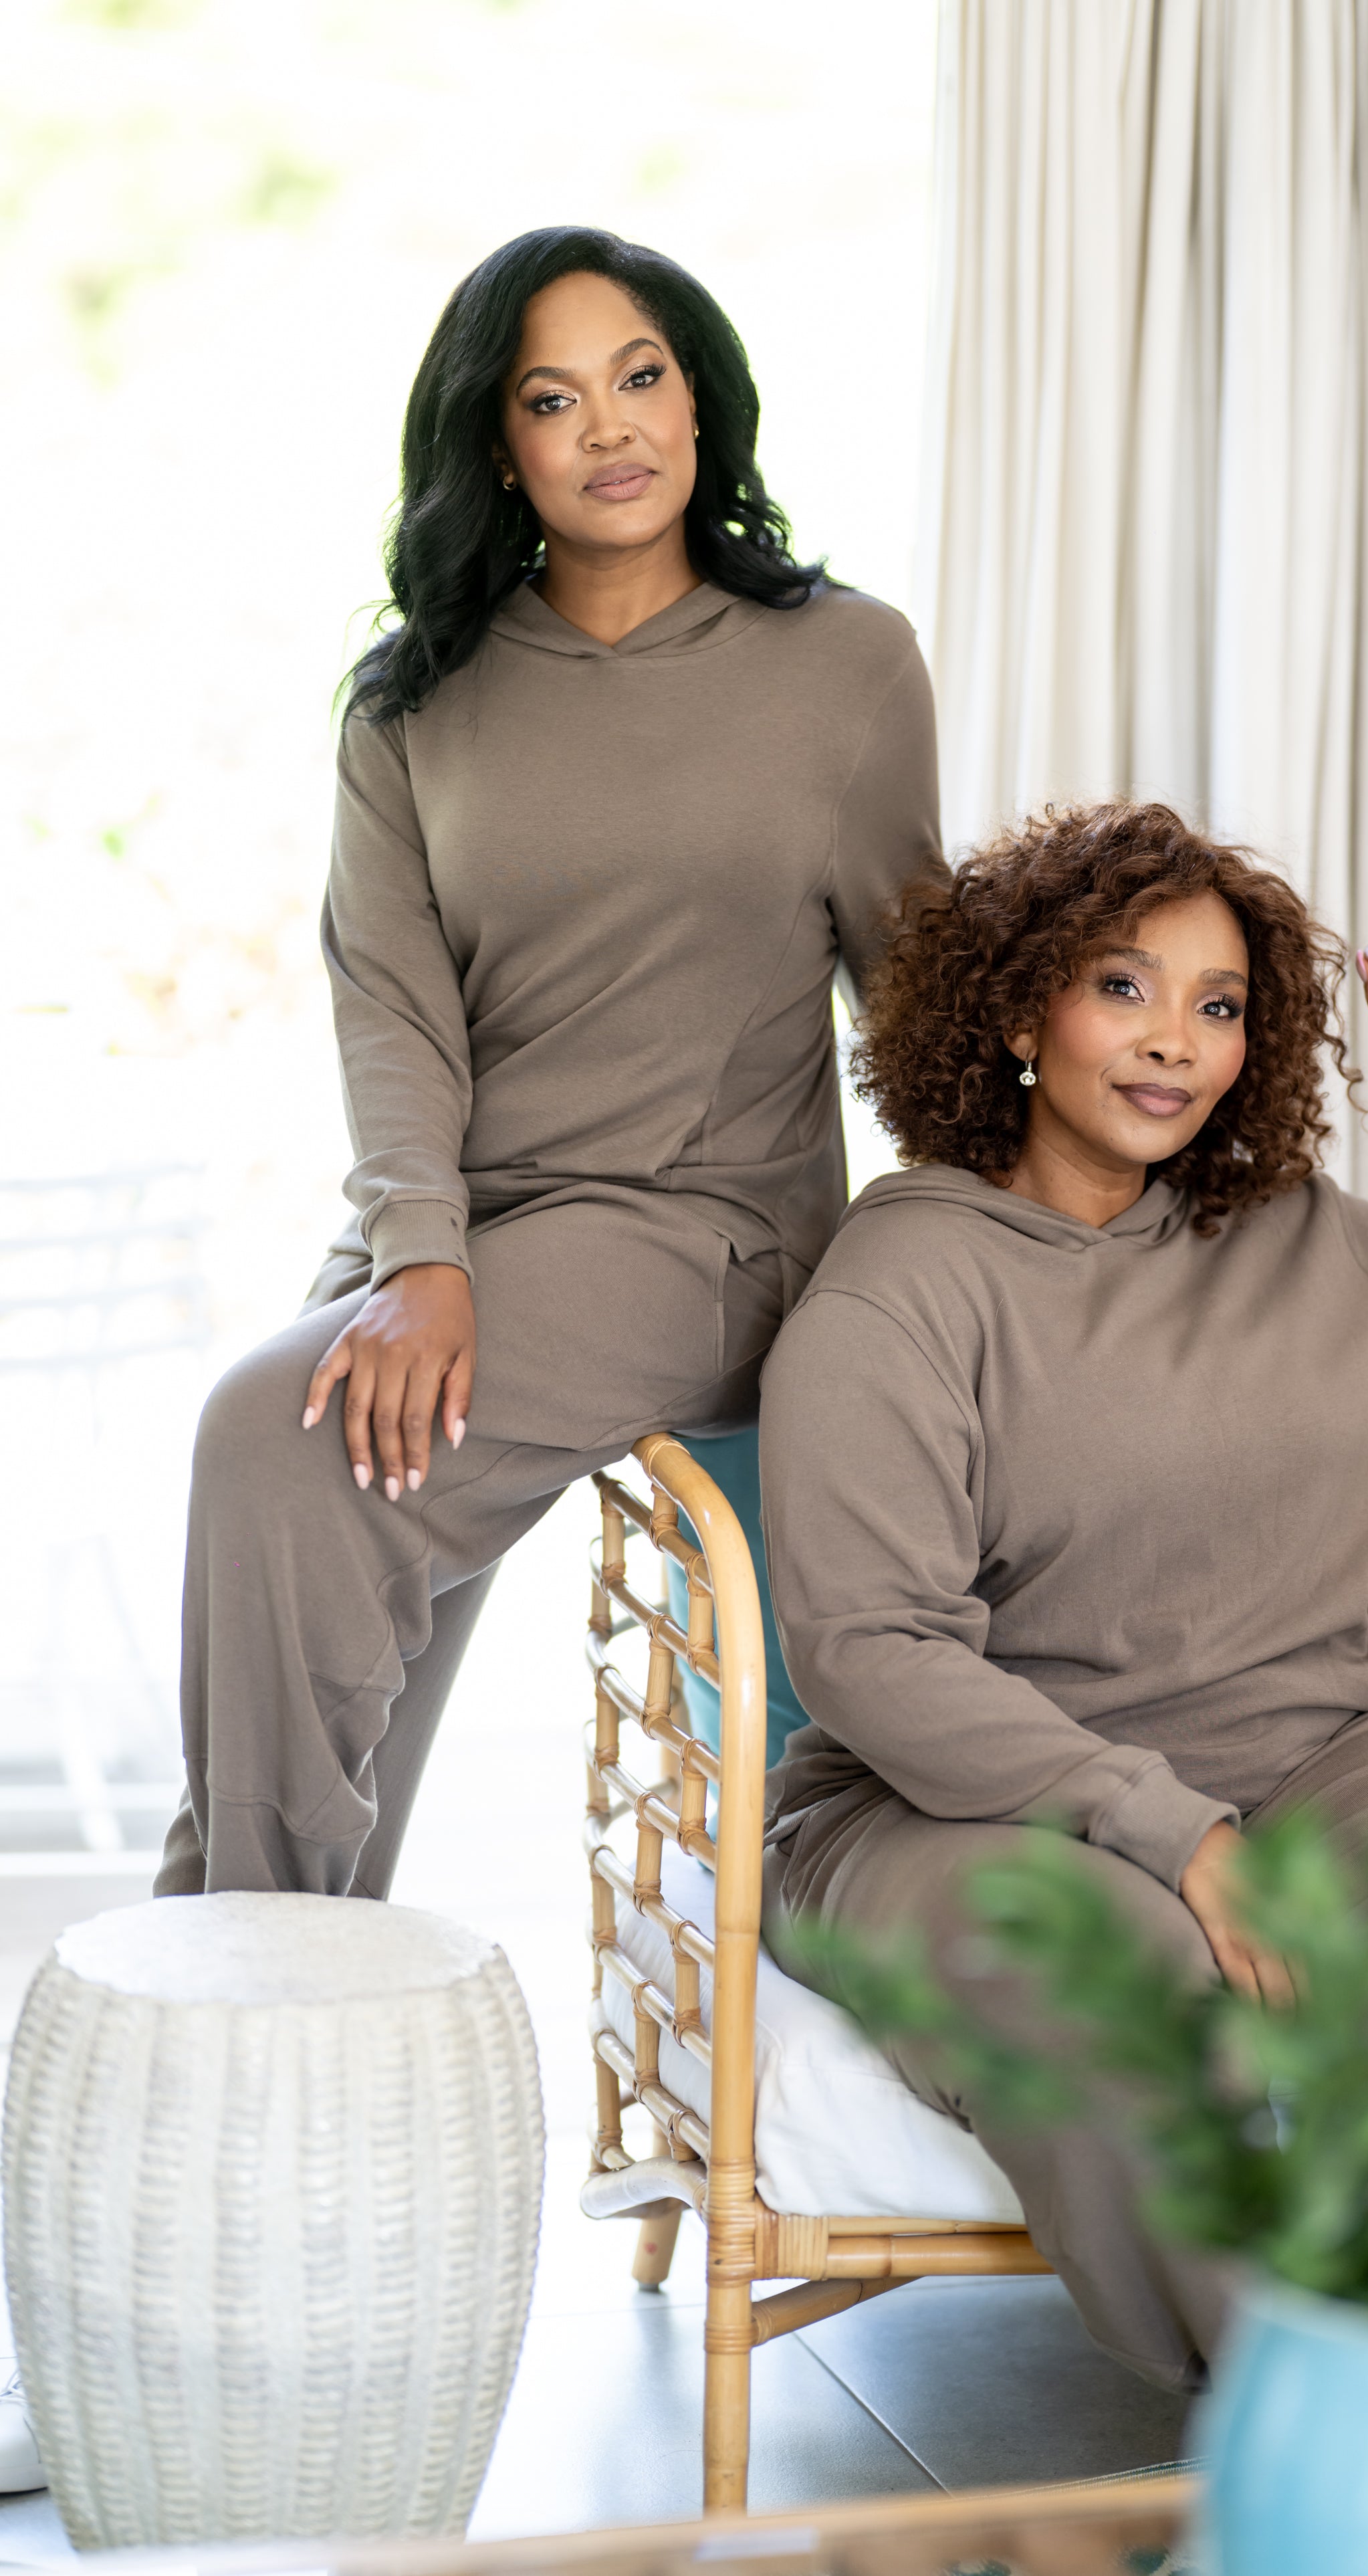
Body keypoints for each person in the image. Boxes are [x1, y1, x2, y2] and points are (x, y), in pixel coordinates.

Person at [757, 800, 1368, 2430]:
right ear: (1019, 1010)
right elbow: (870, 1653)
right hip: (953, 1797)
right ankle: (1321, 2461)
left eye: (1221, 1004)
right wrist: (1178, 1841)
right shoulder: (902, 1288)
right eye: (1123, 986)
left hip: (1324, 1745)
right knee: (1121, 1995)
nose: (1176, 1041)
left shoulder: (1308, 1243)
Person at [156, 224, 935, 1901]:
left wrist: (993, 1269)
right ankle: (258, 1958)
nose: (611, 426)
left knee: (273, 1436)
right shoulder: (411, 700)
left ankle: (248, 1957)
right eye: (553, 397)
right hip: (455, 1222)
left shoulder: (846, 665)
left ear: (702, 397)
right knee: (298, 1553)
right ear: (499, 446)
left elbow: (915, 995)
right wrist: (418, 1254)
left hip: (700, 1230)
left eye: (640, 376)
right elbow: (389, 1005)